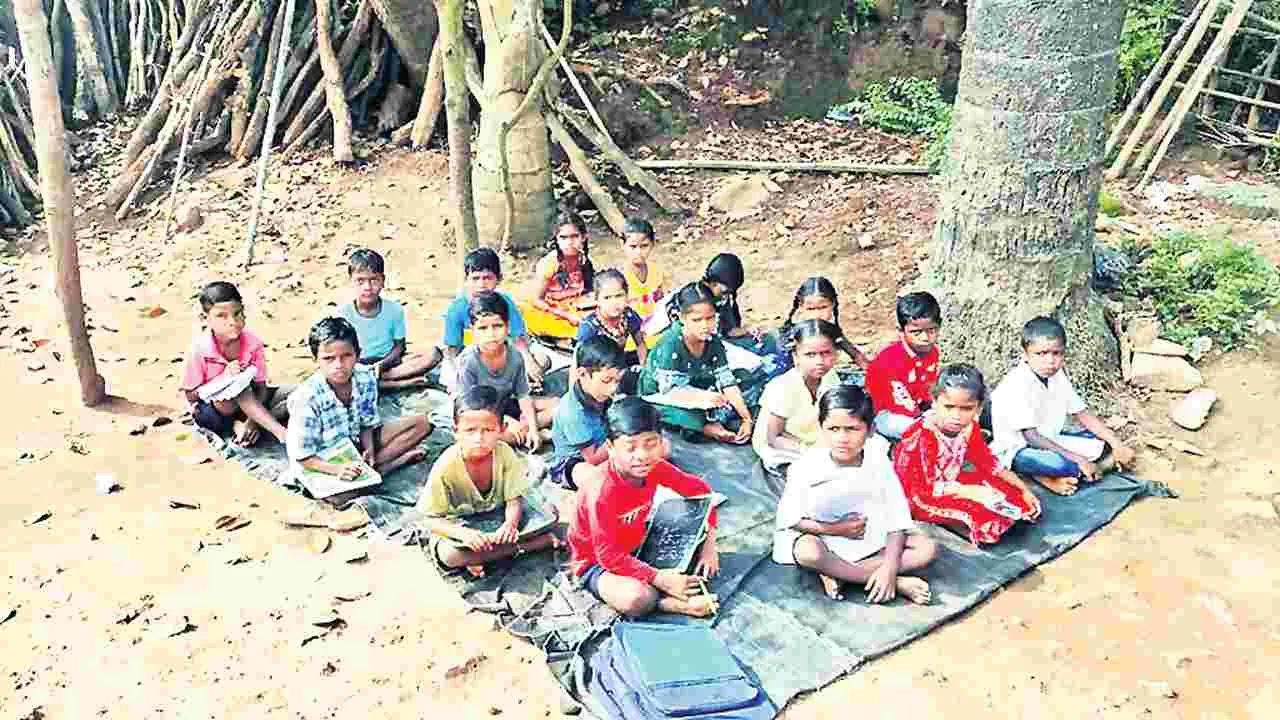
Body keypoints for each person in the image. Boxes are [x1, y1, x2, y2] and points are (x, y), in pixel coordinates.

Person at [774, 384, 937, 603]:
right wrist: (836, 529)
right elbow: (790, 520)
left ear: (870, 430)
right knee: (808, 552)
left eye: (852, 429)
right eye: (833, 429)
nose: (842, 438)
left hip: (869, 534)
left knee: (926, 548)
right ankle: (892, 582)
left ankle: (843, 574)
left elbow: (896, 518)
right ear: (821, 428)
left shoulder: (878, 460)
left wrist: (889, 568)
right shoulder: (806, 466)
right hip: (823, 536)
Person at [568, 397, 720, 618]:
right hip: (596, 562)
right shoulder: (601, 490)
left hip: (639, 544)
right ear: (610, 447)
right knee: (636, 598)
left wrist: (710, 545)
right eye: (630, 447)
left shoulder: (655, 467)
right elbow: (608, 555)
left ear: (661, 441)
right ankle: (672, 604)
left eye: (651, 444)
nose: (642, 456)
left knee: (697, 547)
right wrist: (661, 579)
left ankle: (665, 589)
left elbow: (701, 491)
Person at [893, 364, 1042, 546]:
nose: (956, 416)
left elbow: (989, 464)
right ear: (934, 402)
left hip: (952, 482)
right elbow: (921, 488)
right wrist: (970, 492)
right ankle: (963, 526)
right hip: (919, 496)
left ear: (978, 408)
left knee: (1016, 498)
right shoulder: (921, 435)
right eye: (949, 407)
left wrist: (1024, 490)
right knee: (983, 516)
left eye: (966, 409)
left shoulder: (970, 428)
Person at [422, 386, 560, 577]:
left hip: (498, 516)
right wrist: (464, 535)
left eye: (488, 430)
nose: (479, 438)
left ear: (502, 430)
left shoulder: (504, 453)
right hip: (462, 526)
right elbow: (430, 519)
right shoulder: (446, 465)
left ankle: (479, 557)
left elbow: (514, 500)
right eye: (470, 430)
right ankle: (529, 545)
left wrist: (510, 525)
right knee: (450, 555)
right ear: (456, 431)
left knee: (551, 513)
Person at [990, 317, 1137, 496]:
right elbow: (1031, 437)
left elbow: (1082, 414)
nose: (1050, 361)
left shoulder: (1057, 376)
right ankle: (1042, 477)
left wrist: (1117, 444)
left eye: (1057, 353)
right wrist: (1079, 459)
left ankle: (1080, 472)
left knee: (1103, 444)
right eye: (1041, 354)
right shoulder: (1017, 384)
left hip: (1051, 440)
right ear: (1025, 354)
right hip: (1019, 449)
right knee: (1061, 464)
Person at [287, 317, 431, 479]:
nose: (339, 365)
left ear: (358, 355)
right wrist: (337, 469)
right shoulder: (306, 398)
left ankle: (371, 468)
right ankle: (386, 467)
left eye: (346, 356)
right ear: (316, 359)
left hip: (354, 445)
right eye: (329, 358)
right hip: (323, 460)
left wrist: (369, 449)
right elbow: (303, 457)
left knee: (422, 424)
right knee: (345, 491)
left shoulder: (365, 377)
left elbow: (366, 422)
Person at [638, 282, 755, 444]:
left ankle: (713, 418)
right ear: (682, 318)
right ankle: (707, 427)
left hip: (697, 382)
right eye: (697, 320)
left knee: (743, 377)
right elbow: (669, 391)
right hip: (663, 394)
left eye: (710, 318)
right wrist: (704, 397)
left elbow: (726, 379)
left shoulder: (712, 340)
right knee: (677, 414)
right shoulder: (671, 344)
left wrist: (746, 419)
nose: (705, 326)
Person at [179, 281, 292, 446]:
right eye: (221, 316)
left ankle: (253, 424)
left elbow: (261, 387)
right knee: (238, 385)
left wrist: (252, 422)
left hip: (251, 404)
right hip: (214, 412)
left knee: (298, 392)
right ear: (206, 318)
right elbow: (191, 395)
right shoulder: (199, 349)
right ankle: (279, 432)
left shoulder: (253, 343)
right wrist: (224, 379)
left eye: (237, 313)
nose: (232, 321)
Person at [455, 291, 557, 451]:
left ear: (507, 327)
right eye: (483, 328)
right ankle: (525, 434)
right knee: (487, 438)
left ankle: (529, 432)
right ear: (473, 331)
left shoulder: (515, 355)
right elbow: (468, 408)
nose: (491, 334)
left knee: (558, 406)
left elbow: (523, 396)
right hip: (480, 414)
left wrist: (532, 427)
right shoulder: (469, 361)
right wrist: (507, 422)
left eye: (497, 326)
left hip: (506, 403)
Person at [441, 247, 546, 389]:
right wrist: (460, 372)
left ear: (499, 279)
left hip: (501, 354)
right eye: (475, 278)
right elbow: (452, 349)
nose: (481, 284)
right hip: (471, 358)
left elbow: (518, 338)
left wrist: (528, 361)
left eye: (487, 278)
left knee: (542, 359)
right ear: (466, 280)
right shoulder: (456, 308)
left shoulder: (505, 302)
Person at [338, 248, 440, 391]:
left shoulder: (395, 310)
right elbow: (341, 351)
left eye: (374, 280)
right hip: (357, 366)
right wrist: (360, 368)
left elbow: (400, 347)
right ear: (351, 281)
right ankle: (398, 384)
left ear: (383, 281)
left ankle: (375, 382)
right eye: (360, 281)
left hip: (388, 364)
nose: (367, 287)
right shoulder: (343, 314)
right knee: (340, 371)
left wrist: (381, 366)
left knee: (433, 354)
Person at [752, 320, 842, 479]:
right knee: (814, 470)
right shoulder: (782, 387)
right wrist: (809, 452)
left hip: (815, 437)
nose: (819, 361)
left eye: (826, 353)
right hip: (785, 446)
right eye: (810, 355)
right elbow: (774, 438)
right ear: (796, 357)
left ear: (836, 354)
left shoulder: (831, 378)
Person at [550, 335, 628, 490]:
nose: (614, 388)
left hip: (606, 446)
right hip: (577, 462)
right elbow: (592, 458)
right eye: (606, 381)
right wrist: (623, 437)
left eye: (618, 380)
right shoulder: (572, 412)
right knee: (592, 477)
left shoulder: (603, 394)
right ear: (582, 374)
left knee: (660, 447)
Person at [866, 291, 942, 441]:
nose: (925, 338)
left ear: (939, 325)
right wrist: (926, 418)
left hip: (917, 407)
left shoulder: (932, 352)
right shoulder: (891, 360)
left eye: (931, 330)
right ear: (901, 331)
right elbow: (901, 402)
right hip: (886, 414)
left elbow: (928, 387)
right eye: (916, 332)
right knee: (918, 429)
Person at [523, 208, 597, 338]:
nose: (569, 242)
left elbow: (588, 290)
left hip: (576, 306)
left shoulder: (583, 259)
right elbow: (536, 300)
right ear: (556, 239)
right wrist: (567, 315)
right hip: (552, 310)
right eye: (563, 237)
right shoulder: (550, 263)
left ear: (584, 237)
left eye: (574, 236)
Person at [774, 276, 870, 376]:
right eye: (811, 309)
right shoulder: (793, 336)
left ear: (833, 304)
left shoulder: (830, 331)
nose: (817, 314)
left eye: (823, 307)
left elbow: (857, 356)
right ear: (801, 307)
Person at [575, 269, 647, 370]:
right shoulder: (589, 328)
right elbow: (577, 363)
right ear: (596, 300)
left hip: (619, 366)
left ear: (627, 296)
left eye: (619, 296)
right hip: (598, 373)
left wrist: (644, 371)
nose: (614, 302)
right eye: (607, 298)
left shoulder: (629, 316)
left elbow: (640, 344)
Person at [620, 217, 668, 321]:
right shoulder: (620, 278)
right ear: (623, 245)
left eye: (644, 246)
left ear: (652, 244)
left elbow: (661, 301)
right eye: (633, 246)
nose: (639, 252)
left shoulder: (656, 271)